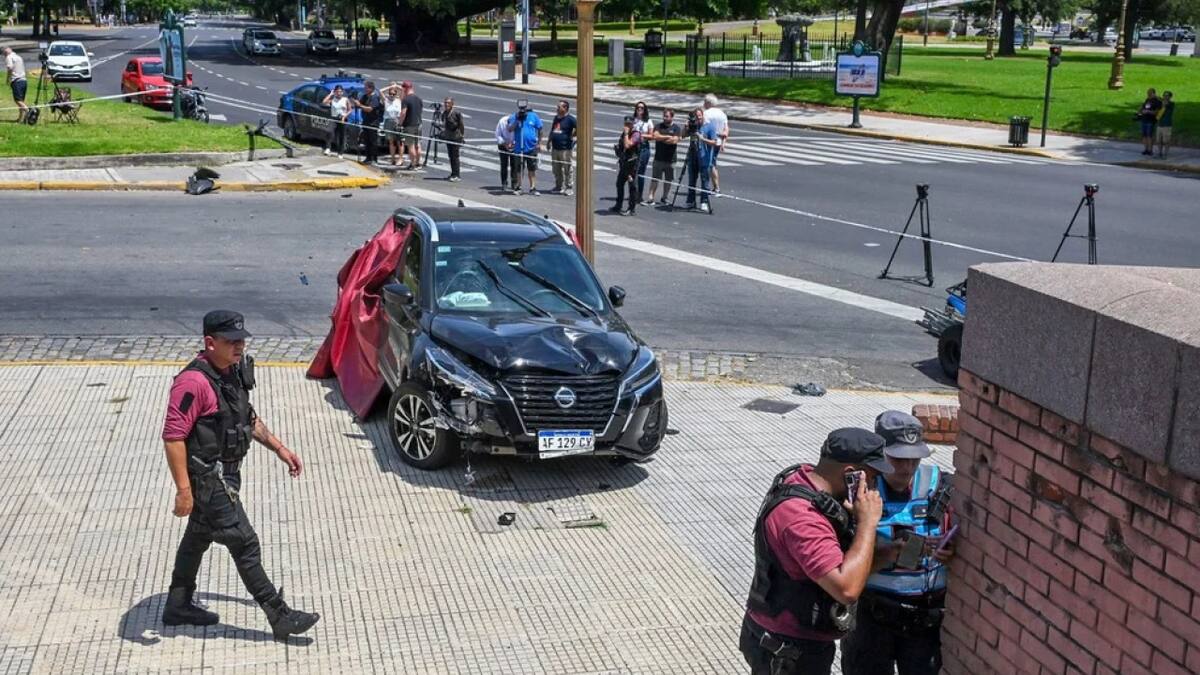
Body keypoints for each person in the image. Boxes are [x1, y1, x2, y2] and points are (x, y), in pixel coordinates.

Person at [161, 311, 320, 640]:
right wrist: (183, 491)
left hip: (227, 476)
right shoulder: (192, 383)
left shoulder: (231, 371)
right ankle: (279, 615)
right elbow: (173, 437)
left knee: (198, 536)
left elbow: (246, 418)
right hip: (209, 480)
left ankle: (178, 604)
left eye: (241, 340)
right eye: (231, 341)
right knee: (244, 542)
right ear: (210, 343)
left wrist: (280, 448)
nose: (239, 346)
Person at [740, 428, 889, 675]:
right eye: (872, 478)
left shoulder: (807, 480)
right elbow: (846, 589)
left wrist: (884, 557)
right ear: (851, 475)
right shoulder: (803, 518)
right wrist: (867, 523)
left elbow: (826, 569)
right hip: (788, 652)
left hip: (785, 640)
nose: (874, 488)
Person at [841, 411, 955, 675]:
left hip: (924, 622)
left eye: (914, 459)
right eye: (899, 459)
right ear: (880, 454)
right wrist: (886, 555)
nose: (907, 468)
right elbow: (838, 569)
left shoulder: (943, 486)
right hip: (871, 618)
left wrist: (951, 552)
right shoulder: (857, 492)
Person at [684, 108, 719, 213]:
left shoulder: (709, 126)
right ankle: (691, 200)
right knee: (691, 179)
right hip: (692, 156)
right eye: (696, 117)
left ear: (702, 115)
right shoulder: (692, 125)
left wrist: (702, 139)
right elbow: (683, 135)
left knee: (705, 181)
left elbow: (715, 142)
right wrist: (686, 127)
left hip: (704, 157)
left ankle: (704, 201)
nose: (698, 119)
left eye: (699, 116)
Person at [645, 108, 681, 205]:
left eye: (667, 116)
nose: (665, 118)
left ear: (672, 117)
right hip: (659, 158)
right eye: (664, 116)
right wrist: (667, 137)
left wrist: (662, 138)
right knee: (655, 178)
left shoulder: (676, 128)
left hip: (671, 159)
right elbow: (655, 136)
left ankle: (664, 197)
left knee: (668, 180)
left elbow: (674, 140)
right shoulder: (658, 126)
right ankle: (651, 197)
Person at [508, 101, 543, 195]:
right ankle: (519, 186)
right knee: (519, 169)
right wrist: (517, 120)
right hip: (519, 148)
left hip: (531, 147)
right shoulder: (514, 116)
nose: (523, 112)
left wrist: (539, 143)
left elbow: (540, 129)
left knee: (532, 168)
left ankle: (533, 187)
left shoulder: (533, 116)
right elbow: (510, 129)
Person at [612, 115, 642, 216]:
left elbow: (627, 145)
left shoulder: (636, 134)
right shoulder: (624, 134)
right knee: (619, 184)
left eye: (629, 124)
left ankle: (631, 208)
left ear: (633, 124)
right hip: (624, 163)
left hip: (632, 165)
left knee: (632, 186)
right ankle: (618, 205)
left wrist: (625, 134)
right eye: (626, 124)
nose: (627, 126)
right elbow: (622, 146)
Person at [546, 99, 577, 195]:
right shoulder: (556, 118)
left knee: (567, 168)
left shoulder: (570, 119)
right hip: (555, 148)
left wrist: (573, 136)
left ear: (565, 108)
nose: (557, 108)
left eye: (559, 107)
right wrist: (549, 141)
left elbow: (579, 128)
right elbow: (553, 130)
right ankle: (558, 186)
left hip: (565, 149)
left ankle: (569, 187)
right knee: (556, 168)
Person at [703, 93, 729, 194]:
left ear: (708, 103)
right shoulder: (722, 113)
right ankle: (715, 187)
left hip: (709, 141)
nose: (703, 104)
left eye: (705, 102)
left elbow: (705, 128)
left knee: (710, 164)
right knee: (712, 163)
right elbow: (726, 129)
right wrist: (723, 143)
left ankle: (715, 187)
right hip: (718, 141)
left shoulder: (706, 113)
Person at [354, 80, 383, 165]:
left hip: (373, 123)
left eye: (366, 88)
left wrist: (360, 105)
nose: (365, 89)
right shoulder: (365, 96)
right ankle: (368, 157)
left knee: (373, 141)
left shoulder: (374, 98)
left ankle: (374, 159)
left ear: (371, 88)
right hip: (365, 121)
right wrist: (356, 102)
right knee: (367, 141)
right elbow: (360, 104)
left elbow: (370, 109)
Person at [631, 101, 654, 204]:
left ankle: (639, 195)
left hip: (644, 148)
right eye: (638, 107)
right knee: (632, 171)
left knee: (641, 172)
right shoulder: (633, 120)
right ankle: (632, 193)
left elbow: (651, 136)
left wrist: (641, 135)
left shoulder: (648, 121)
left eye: (642, 108)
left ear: (645, 110)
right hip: (633, 148)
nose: (640, 109)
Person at [322, 85, 352, 158]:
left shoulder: (345, 99)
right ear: (335, 92)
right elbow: (324, 102)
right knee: (330, 131)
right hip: (334, 118)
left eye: (340, 92)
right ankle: (328, 148)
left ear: (342, 92)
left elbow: (350, 110)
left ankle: (340, 153)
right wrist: (330, 94)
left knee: (341, 136)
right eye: (337, 92)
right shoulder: (333, 99)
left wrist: (345, 116)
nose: (339, 93)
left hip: (342, 119)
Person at [398, 81, 423, 169]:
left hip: (409, 125)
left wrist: (400, 123)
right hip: (418, 124)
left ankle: (412, 164)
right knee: (418, 144)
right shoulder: (419, 99)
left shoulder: (406, 99)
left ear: (405, 88)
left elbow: (403, 113)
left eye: (403, 89)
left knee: (410, 145)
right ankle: (418, 163)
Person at [380, 82, 405, 166]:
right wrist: (390, 87)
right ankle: (392, 159)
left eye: (393, 94)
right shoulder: (386, 100)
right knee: (391, 141)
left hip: (397, 121)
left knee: (400, 141)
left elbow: (403, 90)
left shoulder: (398, 100)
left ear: (396, 94)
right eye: (390, 94)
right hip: (388, 121)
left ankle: (400, 158)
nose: (392, 95)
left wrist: (396, 86)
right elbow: (380, 91)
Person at [441, 97, 465, 182]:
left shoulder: (456, 113)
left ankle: (457, 175)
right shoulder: (445, 113)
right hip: (449, 137)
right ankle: (453, 173)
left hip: (456, 137)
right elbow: (444, 124)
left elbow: (461, 125)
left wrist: (462, 136)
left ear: (452, 104)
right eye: (445, 103)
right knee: (450, 156)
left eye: (448, 103)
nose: (446, 104)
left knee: (455, 156)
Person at [3, 46, 27, 123]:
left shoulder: (9, 57)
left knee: (18, 100)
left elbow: (10, 68)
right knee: (21, 101)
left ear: (5, 53)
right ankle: (20, 119)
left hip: (16, 81)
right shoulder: (19, 57)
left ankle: (29, 111)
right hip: (24, 80)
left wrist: (8, 79)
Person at [494, 112, 518, 190]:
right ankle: (504, 183)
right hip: (503, 143)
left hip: (514, 144)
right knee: (504, 164)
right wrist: (504, 144)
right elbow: (497, 134)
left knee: (514, 164)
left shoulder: (517, 122)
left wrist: (513, 143)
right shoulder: (502, 121)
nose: (510, 129)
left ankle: (514, 183)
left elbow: (519, 135)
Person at [1136, 88, 1162, 156]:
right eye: (1148, 93)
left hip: (1150, 120)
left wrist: (1148, 112)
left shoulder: (1157, 101)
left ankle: (1150, 150)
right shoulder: (1147, 100)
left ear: (1154, 93)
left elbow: (1157, 111)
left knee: (1149, 135)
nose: (1148, 94)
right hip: (1144, 119)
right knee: (1144, 135)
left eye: (1150, 93)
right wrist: (1140, 111)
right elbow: (1143, 107)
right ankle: (1146, 149)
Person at [1156, 90, 1175, 159]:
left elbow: (1165, 104)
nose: (1165, 97)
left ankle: (1165, 154)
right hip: (1160, 124)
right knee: (1158, 140)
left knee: (1166, 141)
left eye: (1167, 95)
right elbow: (1158, 112)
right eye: (1164, 95)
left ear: (1170, 97)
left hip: (1167, 125)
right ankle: (1160, 153)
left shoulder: (1171, 104)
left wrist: (1160, 99)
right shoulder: (1160, 103)